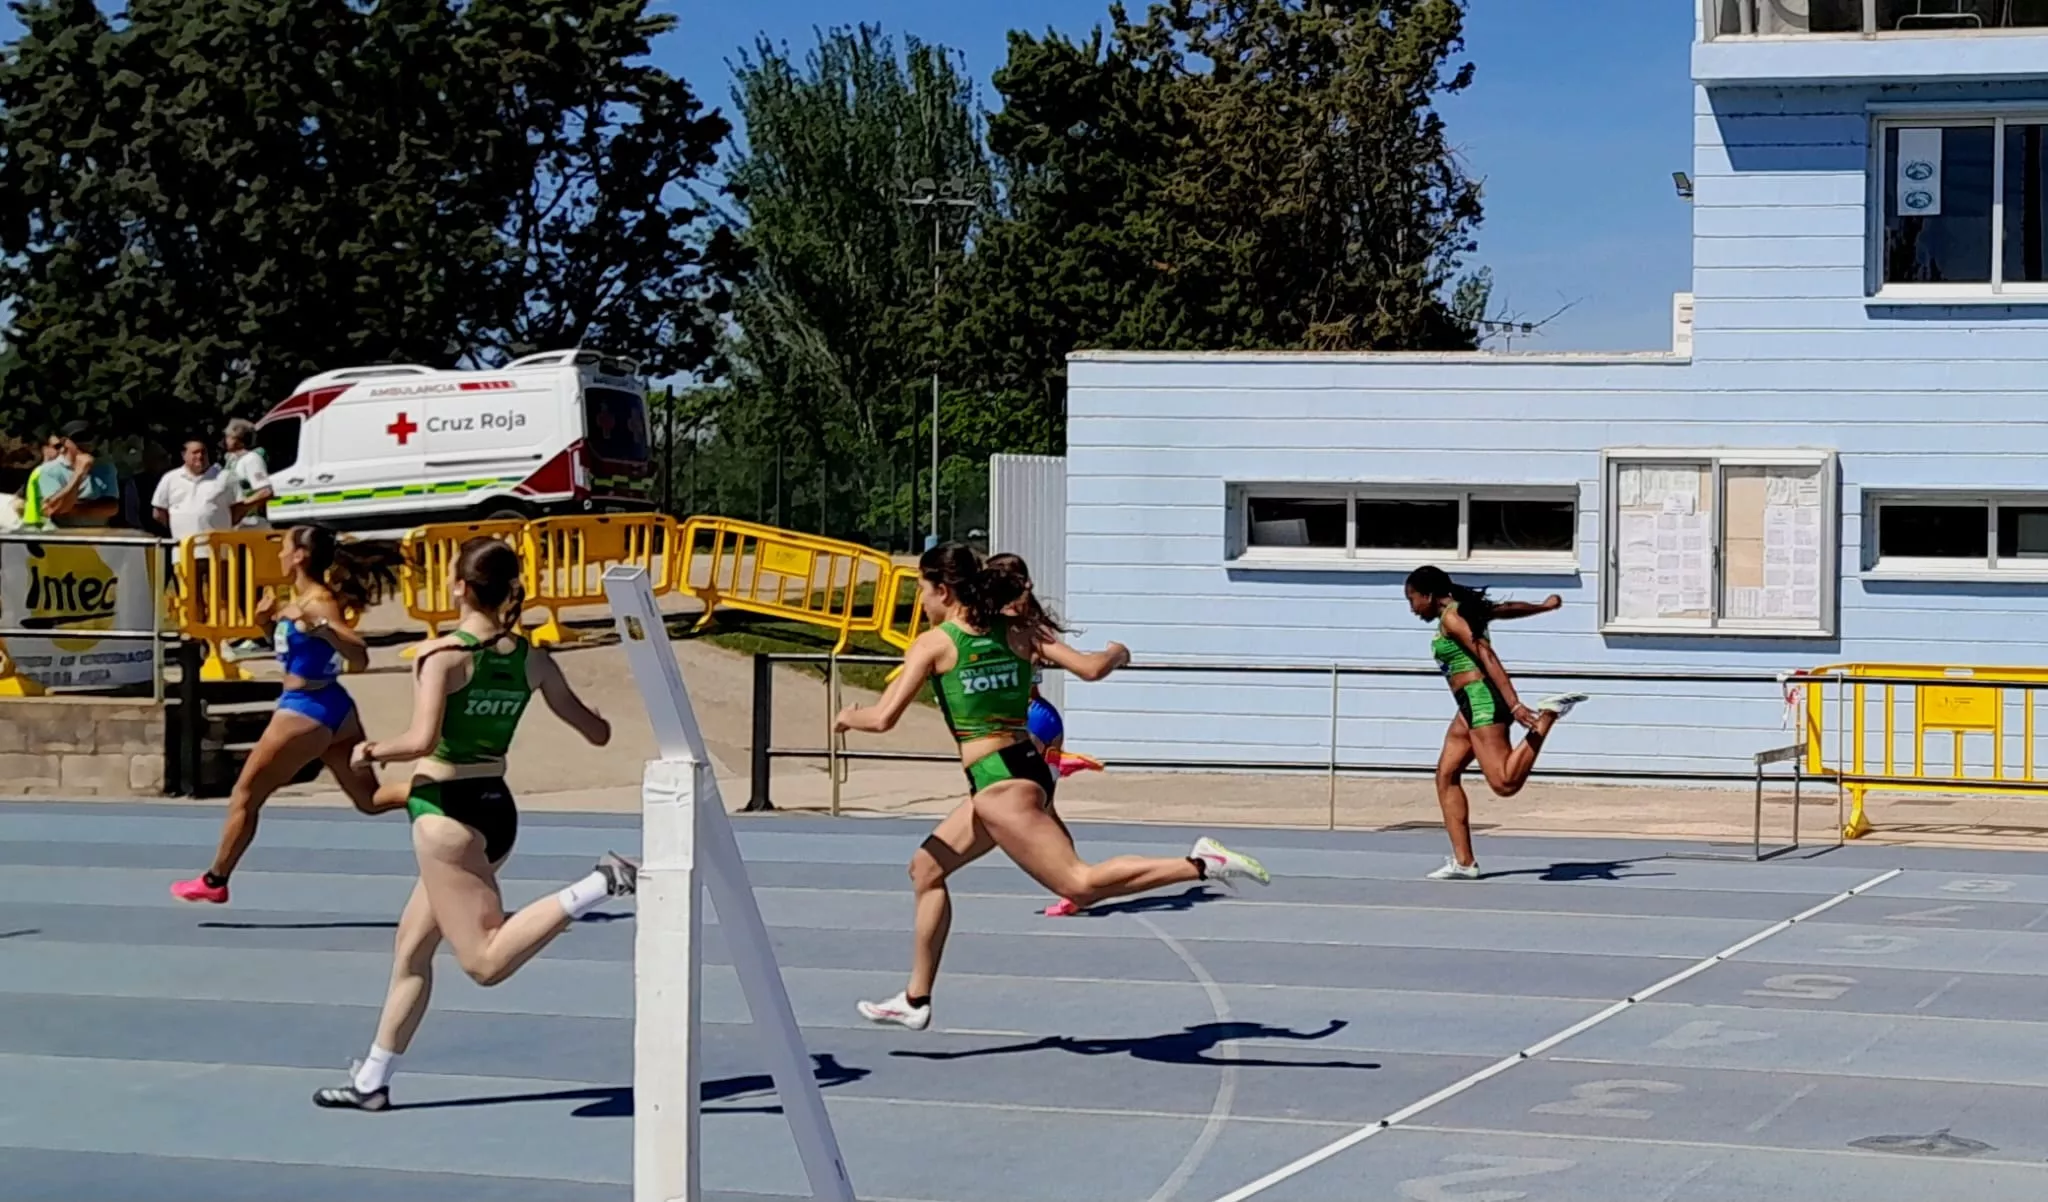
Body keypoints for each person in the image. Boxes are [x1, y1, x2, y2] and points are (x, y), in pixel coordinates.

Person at [838, 543, 1271, 1031]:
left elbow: (882, 719)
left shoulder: (935, 644)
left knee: (1078, 884)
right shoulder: (1019, 631)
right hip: (1022, 768)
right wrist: (1115, 651)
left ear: (942, 589)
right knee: (926, 869)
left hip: (999, 784)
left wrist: (848, 716)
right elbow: (1089, 668)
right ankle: (915, 998)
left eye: (920, 588)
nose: (920, 600)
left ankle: (1199, 863)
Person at [312, 537, 635, 1110]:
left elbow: (422, 741)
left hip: (446, 814)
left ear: (460, 588)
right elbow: (598, 732)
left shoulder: (442, 657)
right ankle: (372, 1080)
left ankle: (597, 884)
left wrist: (370, 751)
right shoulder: (531, 658)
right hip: (496, 808)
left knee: (484, 961)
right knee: (411, 949)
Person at [171, 525, 408, 904]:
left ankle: (215, 881)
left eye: (283, 549)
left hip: (305, 713)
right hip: (334, 709)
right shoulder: (295, 600)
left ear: (299, 556)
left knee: (245, 795)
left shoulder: (318, 603)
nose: (279, 555)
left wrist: (319, 625)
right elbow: (298, 653)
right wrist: (267, 624)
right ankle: (438, 792)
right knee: (370, 800)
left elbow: (358, 654)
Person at [1405, 565, 1587, 882]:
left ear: (1429, 595)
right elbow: (1505, 610)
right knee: (1445, 776)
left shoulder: (1452, 618)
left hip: (1482, 701)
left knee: (1504, 783)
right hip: (1468, 707)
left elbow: (1486, 655)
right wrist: (1543, 607)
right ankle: (1464, 862)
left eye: (1413, 599)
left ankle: (1547, 717)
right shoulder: (1464, 608)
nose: (1412, 607)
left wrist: (1515, 704)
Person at [152, 438, 252, 603]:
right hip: (184, 549)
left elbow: (239, 508)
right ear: (184, 455)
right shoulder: (170, 478)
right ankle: (194, 629)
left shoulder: (226, 477)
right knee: (190, 599)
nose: (200, 456)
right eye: (195, 452)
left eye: (203, 452)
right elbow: (158, 511)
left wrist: (222, 523)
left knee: (222, 598)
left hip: (219, 551)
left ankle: (220, 628)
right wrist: (178, 527)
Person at [40, 421, 121, 528]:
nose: (85, 443)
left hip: (98, 534)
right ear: (64, 442)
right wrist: (78, 474)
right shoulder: (49, 470)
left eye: (89, 438)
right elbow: (53, 509)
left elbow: (111, 508)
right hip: (62, 535)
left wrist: (72, 508)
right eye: (79, 439)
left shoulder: (105, 467)